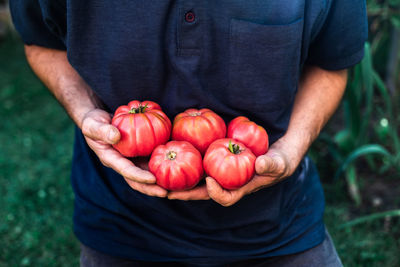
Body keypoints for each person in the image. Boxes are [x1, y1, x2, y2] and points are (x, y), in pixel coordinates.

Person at [10, 0, 367, 266]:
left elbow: (331, 62)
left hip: (278, 226)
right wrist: (85, 110)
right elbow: (40, 41)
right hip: (120, 224)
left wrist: (291, 148)